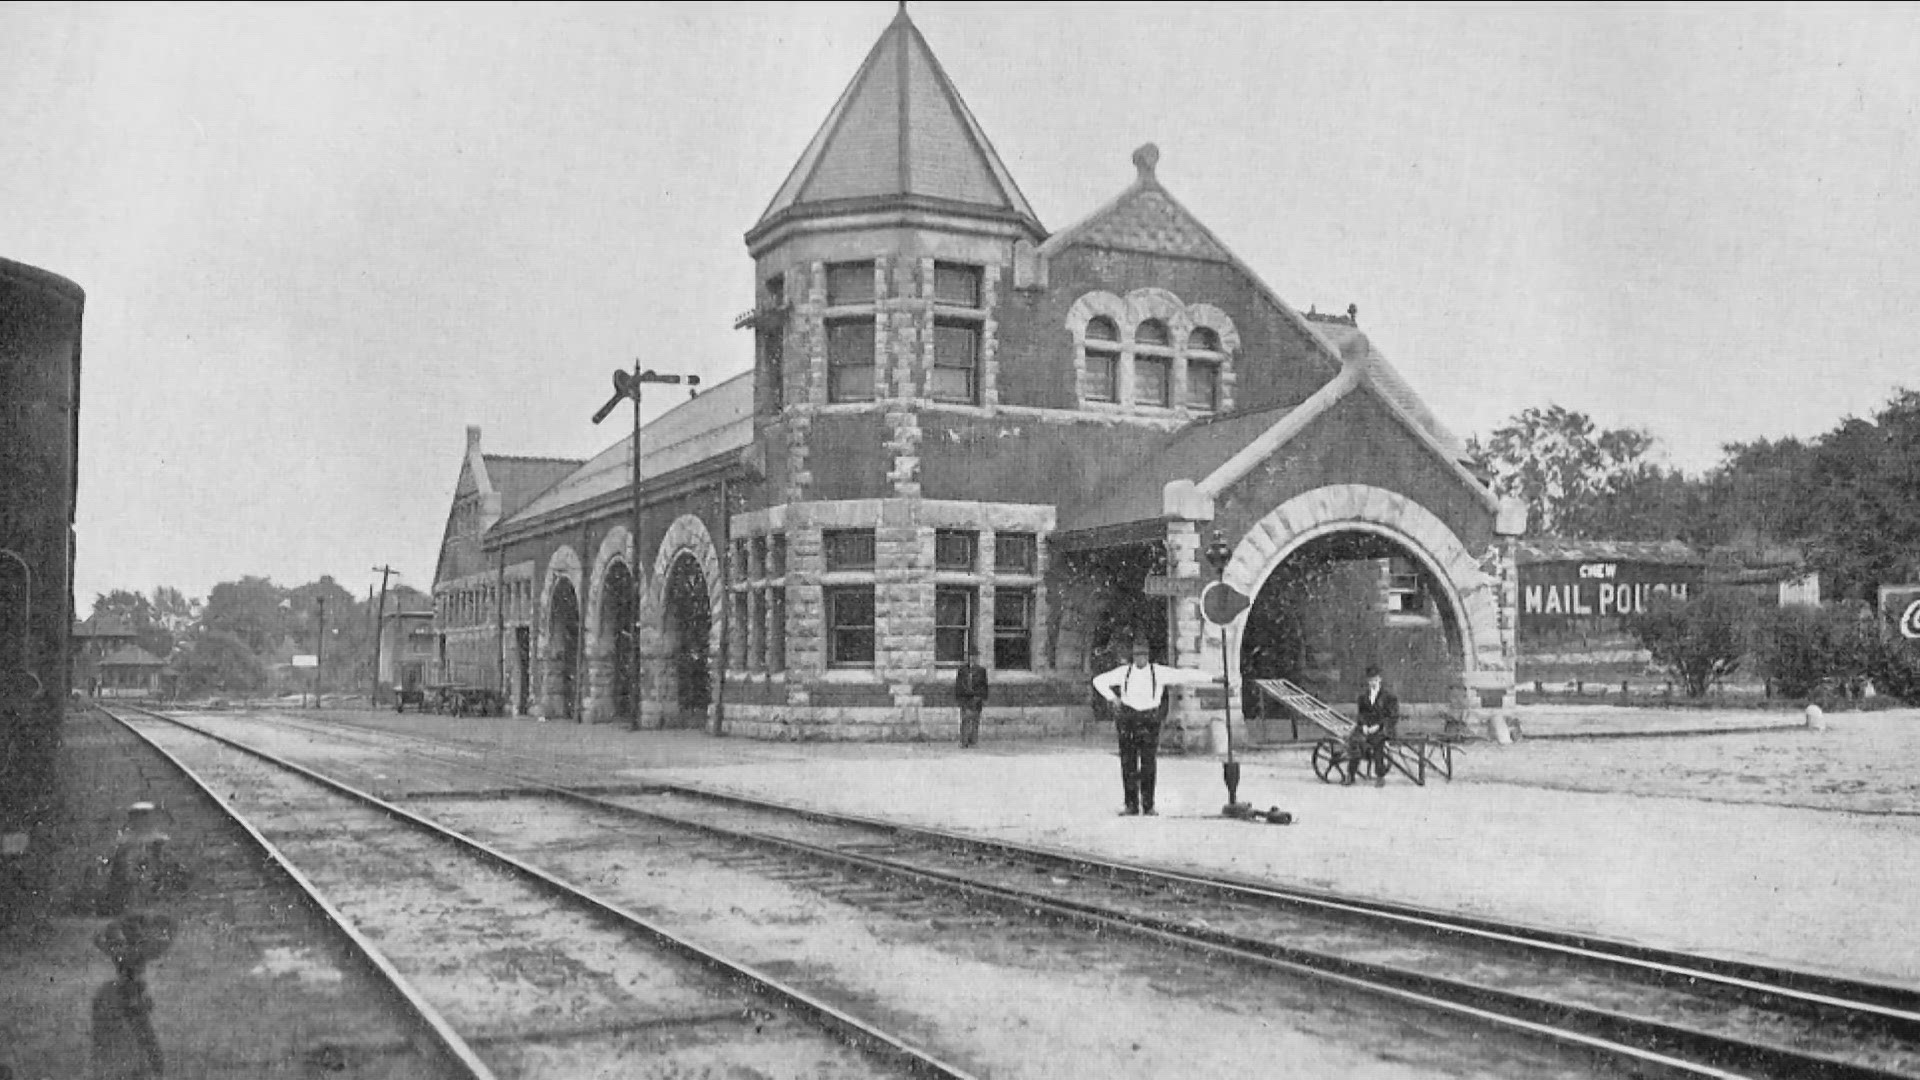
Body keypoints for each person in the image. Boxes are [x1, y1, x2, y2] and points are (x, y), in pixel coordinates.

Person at [1092, 638, 1219, 816]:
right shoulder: (1124, 672)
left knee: (1148, 763)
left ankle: (1148, 804)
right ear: (1133, 656)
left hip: (1149, 719)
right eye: (1137, 654)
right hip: (1128, 718)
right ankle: (1131, 804)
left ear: (1148, 655)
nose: (1140, 658)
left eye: (1143, 654)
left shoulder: (1158, 672)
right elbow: (1098, 681)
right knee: (1128, 763)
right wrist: (1112, 698)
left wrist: (1213, 678)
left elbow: (1184, 675)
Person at [1347, 664, 1398, 787]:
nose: (1372, 683)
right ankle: (1351, 774)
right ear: (1367, 681)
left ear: (1380, 679)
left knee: (1378, 743)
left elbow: (1393, 716)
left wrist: (1379, 726)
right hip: (1366, 727)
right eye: (1370, 680)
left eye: (1375, 680)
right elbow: (1361, 714)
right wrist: (1363, 725)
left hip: (1383, 728)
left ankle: (1380, 776)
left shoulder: (1389, 697)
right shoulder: (1363, 697)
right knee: (1354, 741)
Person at [954, 646, 988, 748]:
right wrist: (959, 697)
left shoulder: (981, 670)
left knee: (975, 720)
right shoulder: (962, 670)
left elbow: (984, 685)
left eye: (974, 656)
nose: (972, 658)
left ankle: (973, 741)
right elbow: (958, 684)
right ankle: (964, 741)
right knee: (965, 720)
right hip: (965, 698)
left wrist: (981, 697)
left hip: (976, 698)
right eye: (970, 656)